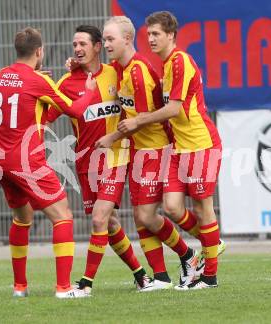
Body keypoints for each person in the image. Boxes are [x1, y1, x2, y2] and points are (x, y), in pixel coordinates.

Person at [117, 11, 224, 289]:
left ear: (171, 36)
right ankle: (212, 244)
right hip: (179, 148)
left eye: (156, 34)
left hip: (201, 144)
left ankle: (209, 276)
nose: (150, 39)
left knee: (203, 209)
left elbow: (174, 109)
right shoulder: (165, 65)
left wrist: (139, 120)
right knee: (172, 207)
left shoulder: (180, 62)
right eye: (149, 34)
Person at [0, 27, 96, 298]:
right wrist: (90, 92)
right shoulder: (38, 81)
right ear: (39, 51)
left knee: (22, 218)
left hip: (0, 161)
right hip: (26, 161)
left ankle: (20, 288)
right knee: (63, 216)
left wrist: (37, 89)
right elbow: (75, 110)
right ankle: (63, 287)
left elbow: (12, 105)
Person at [46, 25, 153, 295]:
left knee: (98, 220)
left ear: (96, 48)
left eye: (83, 44)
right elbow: (45, 117)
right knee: (109, 223)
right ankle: (142, 276)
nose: (78, 49)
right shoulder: (67, 83)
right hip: (86, 163)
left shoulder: (116, 74)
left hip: (116, 156)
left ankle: (85, 283)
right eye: (74, 45)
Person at [96, 16, 199, 289]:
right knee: (140, 218)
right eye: (104, 39)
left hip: (154, 149)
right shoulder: (120, 69)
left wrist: (112, 136)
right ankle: (161, 278)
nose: (106, 44)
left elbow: (140, 119)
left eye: (110, 39)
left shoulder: (139, 71)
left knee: (146, 216)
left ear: (127, 40)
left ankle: (189, 254)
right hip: (138, 150)